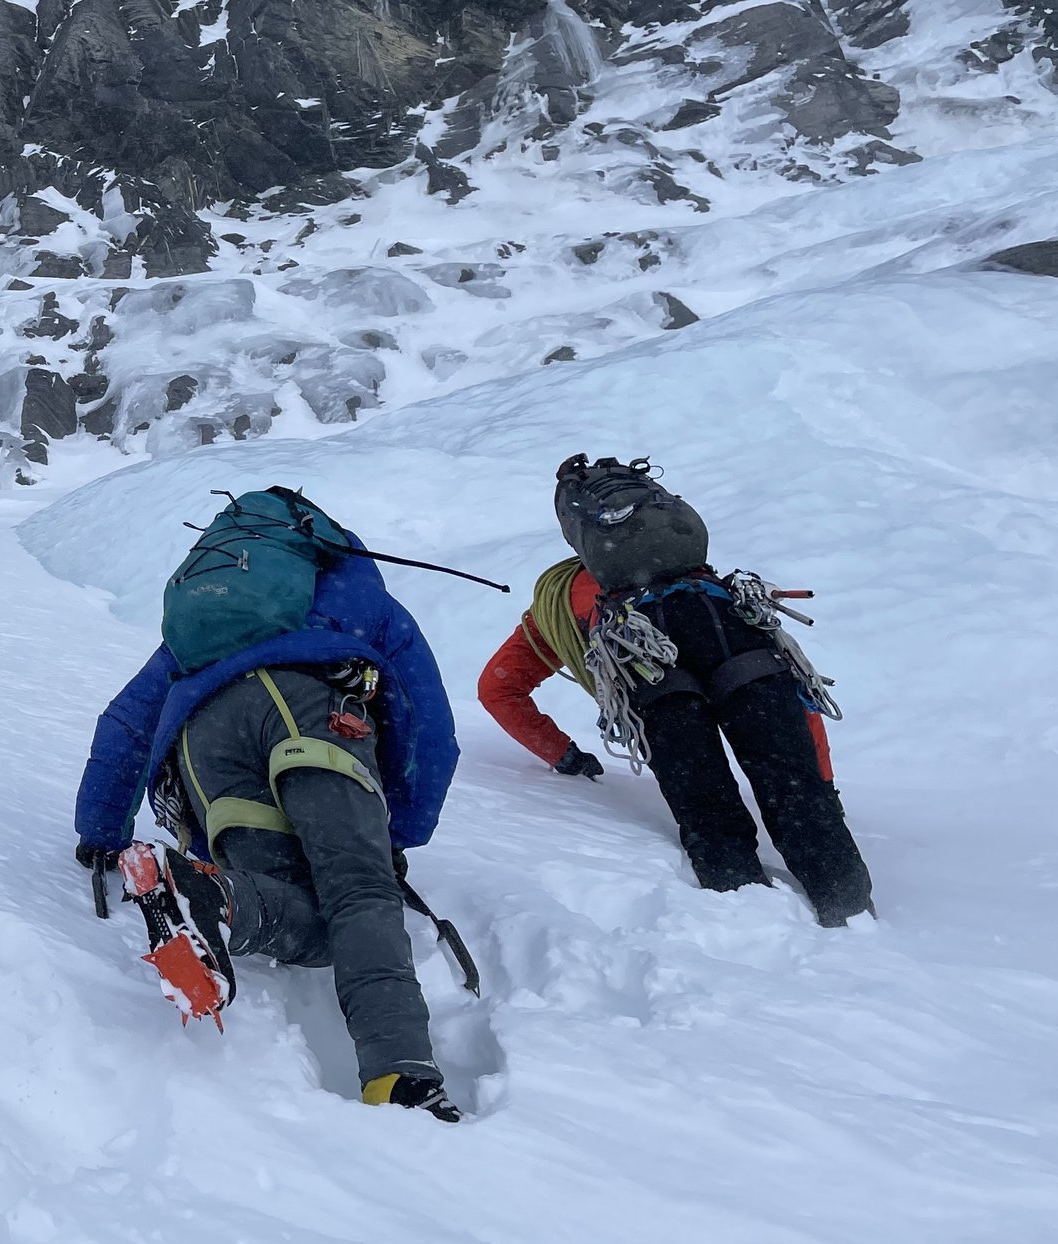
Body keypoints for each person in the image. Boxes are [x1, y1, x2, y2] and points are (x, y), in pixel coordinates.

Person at [73, 488, 463, 1121]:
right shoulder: (362, 601)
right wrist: (397, 838)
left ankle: (217, 897)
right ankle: (400, 1076)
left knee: (282, 899)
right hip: (321, 712)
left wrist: (102, 831)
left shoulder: (204, 628)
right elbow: (429, 724)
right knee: (359, 897)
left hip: (208, 742)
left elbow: (126, 725)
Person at [480, 455, 875, 927]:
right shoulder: (699, 578)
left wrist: (564, 756)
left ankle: (755, 926)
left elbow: (497, 690)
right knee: (793, 789)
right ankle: (854, 920)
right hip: (727, 633)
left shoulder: (557, 603)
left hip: (647, 670)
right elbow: (801, 699)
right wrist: (822, 787)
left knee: (706, 805)